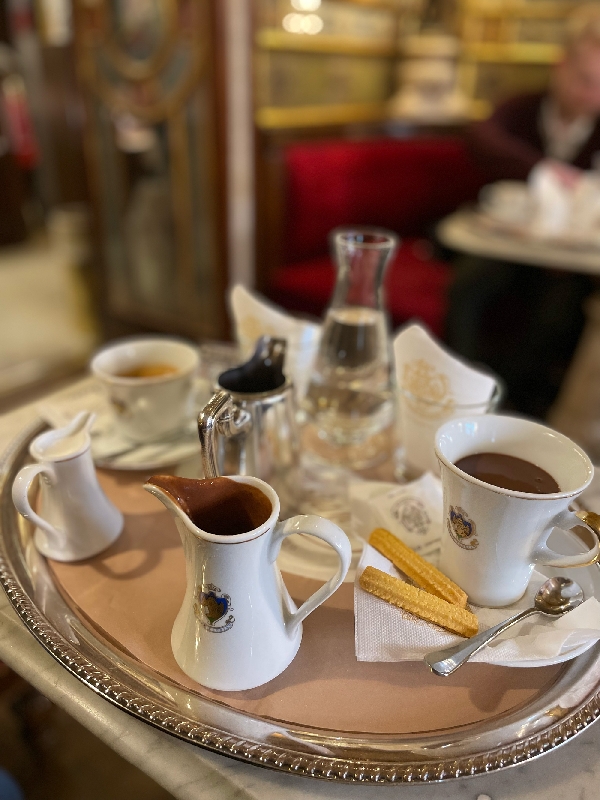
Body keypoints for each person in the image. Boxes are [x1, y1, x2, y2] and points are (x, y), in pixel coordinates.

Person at [445, 3, 600, 417]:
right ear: (560, 67)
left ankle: (516, 398)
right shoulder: (522, 108)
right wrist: (542, 171)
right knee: (469, 283)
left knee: (561, 307)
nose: (592, 95)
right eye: (585, 80)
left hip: (567, 258)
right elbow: (481, 137)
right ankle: (463, 393)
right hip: (506, 243)